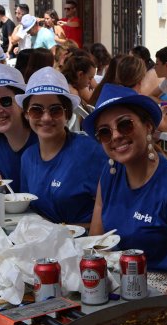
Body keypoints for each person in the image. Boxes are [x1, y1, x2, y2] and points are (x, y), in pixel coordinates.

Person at [86, 84, 167, 293]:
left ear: (148, 126)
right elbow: (97, 245)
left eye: (125, 125)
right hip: (117, 287)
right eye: (104, 132)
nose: (115, 136)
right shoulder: (110, 173)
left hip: (163, 295)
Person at [16, 67, 107, 224]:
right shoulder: (28, 157)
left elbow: (114, 209)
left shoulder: (90, 151)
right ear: (26, 114)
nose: (46, 118)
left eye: (55, 110)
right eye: (36, 110)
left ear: (67, 114)